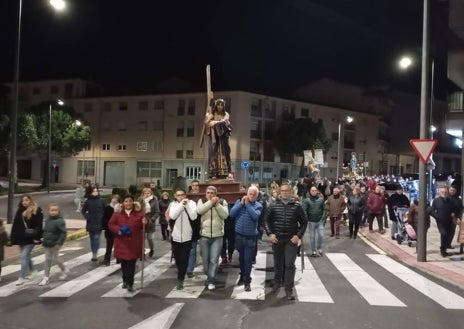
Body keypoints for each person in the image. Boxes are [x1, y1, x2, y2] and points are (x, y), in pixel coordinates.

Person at [264, 183, 308, 300]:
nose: (284, 192)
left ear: (290, 192)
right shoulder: (273, 205)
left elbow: (304, 222)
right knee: (278, 263)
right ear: (280, 192)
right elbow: (266, 221)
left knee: (289, 264)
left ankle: (289, 288)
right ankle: (277, 282)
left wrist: (298, 236)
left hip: (290, 240)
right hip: (277, 239)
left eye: (286, 191)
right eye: (282, 191)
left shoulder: (297, 206)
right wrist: (270, 234)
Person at [109, 195, 147, 292]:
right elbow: (111, 224)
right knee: (124, 264)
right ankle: (125, 280)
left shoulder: (139, 213)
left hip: (134, 243)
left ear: (133, 202)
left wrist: (146, 222)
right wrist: (119, 230)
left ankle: (130, 283)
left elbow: (145, 227)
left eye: (130, 201)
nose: (128, 203)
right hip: (122, 242)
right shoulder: (117, 214)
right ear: (122, 203)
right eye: (126, 201)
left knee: (131, 263)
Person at [230, 186, 262, 291]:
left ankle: (247, 281)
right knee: (241, 259)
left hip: (250, 238)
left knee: (248, 260)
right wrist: (241, 204)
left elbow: (255, 216)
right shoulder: (239, 203)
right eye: (250, 194)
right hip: (239, 236)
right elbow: (232, 214)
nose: (251, 196)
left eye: (253, 195)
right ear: (246, 193)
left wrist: (247, 204)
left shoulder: (258, 205)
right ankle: (243, 276)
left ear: (257, 196)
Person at [197, 186, 229, 290]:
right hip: (204, 235)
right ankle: (209, 274)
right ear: (205, 194)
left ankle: (211, 280)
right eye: (208, 193)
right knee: (205, 261)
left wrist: (217, 204)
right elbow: (199, 211)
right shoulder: (201, 201)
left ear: (216, 194)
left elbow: (225, 215)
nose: (210, 194)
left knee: (214, 260)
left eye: (212, 193)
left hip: (217, 236)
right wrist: (210, 203)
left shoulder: (222, 202)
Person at [10, 194, 43, 286]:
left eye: (26, 200)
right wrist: (13, 238)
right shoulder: (19, 210)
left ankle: (21, 277)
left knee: (24, 256)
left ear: (30, 200)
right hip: (21, 238)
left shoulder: (37, 210)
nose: (24, 202)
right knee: (26, 256)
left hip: (31, 238)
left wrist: (37, 238)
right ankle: (33, 272)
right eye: (23, 200)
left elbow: (39, 225)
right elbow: (15, 226)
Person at [168, 188, 198, 290]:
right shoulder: (173, 205)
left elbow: (194, 217)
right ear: (175, 196)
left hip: (187, 237)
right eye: (178, 195)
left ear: (185, 195)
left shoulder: (192, 203)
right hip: (175, 237)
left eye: (182, 195)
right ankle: (180, 274)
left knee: (184, 260)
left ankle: (180, 280)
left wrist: (187, 205)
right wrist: (181, 205)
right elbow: (172, 216)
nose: (181, 197)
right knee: (178, 260)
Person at [38, 203, 69, 286]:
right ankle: (46, 277)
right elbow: (45, 231)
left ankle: (64, 269)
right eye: (52, 210)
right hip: (47, 243)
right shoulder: (47, 220)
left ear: (58, 211)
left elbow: (63, 233)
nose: (53, 212)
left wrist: (59, 243)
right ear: (48, 211)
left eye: (55, 210)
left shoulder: (60, 221)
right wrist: (42, 238)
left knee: (56, 259)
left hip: (55, 244)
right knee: (47, 260)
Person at [429, 187, 460, 257]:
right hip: (441, 222)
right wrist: (437, 217)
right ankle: (442, 250)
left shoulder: (451, 201)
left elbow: (456, 209)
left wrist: (454, 214)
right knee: (443, 234)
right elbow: (431, 210)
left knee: (448, 236)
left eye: (445, 192)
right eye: (442, 192)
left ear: (447, 192)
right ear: (439, 193)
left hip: (450, 221)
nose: (444, 193)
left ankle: (444, 249)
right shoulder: (436, 201)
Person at [205, 98, 232, 178]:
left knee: (225, 153)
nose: (220, 107)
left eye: (221, 105)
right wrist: (208, 118)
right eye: (218, 105)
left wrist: (215, 122)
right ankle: (214, 172)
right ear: (216, 106)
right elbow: (207, 123)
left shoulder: (226, 114)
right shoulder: (212, 114)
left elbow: (225, 121)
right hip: (214, 137)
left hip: (223, 137)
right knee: (214, 153)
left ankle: (227, 171)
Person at [81, 186, 106, 261]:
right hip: (91, 222)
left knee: (97, 238)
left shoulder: (102, 201)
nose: (95, 192)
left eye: (96, 191)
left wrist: (103, 217)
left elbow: (106, 209)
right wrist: (87, 217)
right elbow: (83, 211)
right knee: (92, 239)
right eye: (94, 191)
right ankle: (93, 252)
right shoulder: (88, 201)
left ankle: (95, 254)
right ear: (91, 192)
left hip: (99, 222)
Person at [302, 185, 326, 256]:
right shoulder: (307, 200)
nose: (314, 192)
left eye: (315, 190)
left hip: (319, 221)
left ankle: (319, 248)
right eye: (312, 190)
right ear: (310, 192)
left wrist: (323, 217)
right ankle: (313, 250)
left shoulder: (321, 200)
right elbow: (304, 210)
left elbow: (324, 209)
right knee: (312, 237)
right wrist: (307, 219)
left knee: (321, 235)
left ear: (317, 191)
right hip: (311, 221)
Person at [100, 195, 121, 266]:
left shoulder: (120, 208)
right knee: (109, 245)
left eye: (116, 199)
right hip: (109, 230)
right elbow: (104, 219)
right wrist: (106, 227)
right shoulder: (107, 208)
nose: (114, 200)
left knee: (118, 245)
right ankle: (107, 259)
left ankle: (119, 259)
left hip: (117, 230)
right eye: (113, 199)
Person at [186, 180, 201, 278]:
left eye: (197, 185)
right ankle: (189, 269)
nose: (195, 187)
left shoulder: (202, 197)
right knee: (191, 249)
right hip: (189, 226)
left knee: (196, 249)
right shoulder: (187, 198)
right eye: (193, 185)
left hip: (200, 225)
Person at [140, 187, 160, 257]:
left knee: (150, 238)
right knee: (142, 238)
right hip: (142, 220)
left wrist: (152, 219)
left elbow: (157, 212)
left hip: (151, 220)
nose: (147, 194)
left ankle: (152, 249)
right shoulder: (141, 200)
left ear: (151, 193)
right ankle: (142, 252)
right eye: (145, 193)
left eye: (148, 193)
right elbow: (138, 209)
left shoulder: (154, 201)